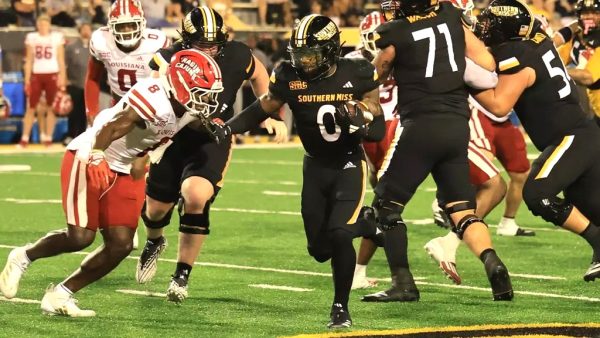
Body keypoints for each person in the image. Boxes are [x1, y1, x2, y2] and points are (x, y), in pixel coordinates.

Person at [0, 49, 224, 316]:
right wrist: (96, 156)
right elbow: (116, 125)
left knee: (121, 244)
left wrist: (219, 125)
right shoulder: (155, 97)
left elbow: (193, 122)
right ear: (181, 85)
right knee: (80, 237)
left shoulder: (185, 105)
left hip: (125, 167)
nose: (207, 99)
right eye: (203, 91)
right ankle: (23, 257)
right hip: (91, 154)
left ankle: (60, 294)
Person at [215, 14, 385, 329]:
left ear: (331, 49)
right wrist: (228, 128)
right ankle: (366, 223)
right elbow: (263, 106)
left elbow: (377, 127)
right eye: (300, 54)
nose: (304, 61)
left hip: (349, 161)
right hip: (315, 164)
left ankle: (340, 308)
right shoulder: (288, 74)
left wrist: (360, 118)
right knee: (319, 250)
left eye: (311, 54)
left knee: (338, 235)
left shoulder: (359, 71)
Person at [361, 0, 513, 302]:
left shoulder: (395, 32)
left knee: (386, 208)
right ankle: (493, 264)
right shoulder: (450, 14)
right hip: (457, 125)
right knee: (462, 210)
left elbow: (375, 75)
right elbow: (485, 60)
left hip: (420, 125)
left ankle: (403, 284)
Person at [135, 6, 287, 303]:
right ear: (185, 40)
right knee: (155, 211)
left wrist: (268, 111)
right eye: (201, 44)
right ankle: (154, 242)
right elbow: (153, 83)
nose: (209, 49)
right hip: (173, 138)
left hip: (211, 138)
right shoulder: (170, 56)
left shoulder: (236, 54)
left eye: (213, 43)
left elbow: (258, 73)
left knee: (195, 195)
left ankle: (181, 275)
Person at [473, 0, 600, 282]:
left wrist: (464, 83)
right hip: (580, 134)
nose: (484, 27)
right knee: (591, 207)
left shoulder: (516, 54)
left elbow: (498, 106)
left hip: (572, 137)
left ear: (505, 29)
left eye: (490, 23)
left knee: (537, 194)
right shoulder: (535, 39)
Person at [344, 11, 399, 290]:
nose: (378, 45)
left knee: (384, 198)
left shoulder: (396, 55)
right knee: (383, 202)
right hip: (373, 131)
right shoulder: (353, 62)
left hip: (391, 128)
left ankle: (359, 267)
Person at [85, 0, 169, 124]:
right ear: (111, 27)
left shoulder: (156, 43)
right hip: (119, 106)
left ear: (141, 24)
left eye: (131, 24)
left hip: (152, 109)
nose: (127, 30)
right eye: (121, 26)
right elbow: (92, 78)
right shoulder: (101, 41)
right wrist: (91, 112)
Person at [20, 15, 66, 148]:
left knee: (52, 107)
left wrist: (62, 79)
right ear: (37, 25)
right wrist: (27, 80)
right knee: (31, 107)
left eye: (45, 24)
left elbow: (61, 60)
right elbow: (28, 60)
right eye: (41, 24)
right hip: (37, 74)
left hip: (52, 73)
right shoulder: (32, 37)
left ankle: (48, 138)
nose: (43, 27)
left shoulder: (56, 37)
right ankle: (24, 138)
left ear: (49, 25)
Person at [554, 0, 600, 127]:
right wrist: (566, 32)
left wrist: (558, 69)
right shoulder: (577, 38)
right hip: (596, 105)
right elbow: (553, 56)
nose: (589, 17)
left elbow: (588, 77)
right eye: (585, 13)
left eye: (595, 12)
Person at [64, 23, 92, 143]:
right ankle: (71, 134)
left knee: (86, 112)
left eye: (88, 29)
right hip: (75, 83)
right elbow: (65, 64)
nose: (86, 31)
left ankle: (82, 136)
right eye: (84, 29)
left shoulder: (94, 47)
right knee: (73, 111)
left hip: (89, 85)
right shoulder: (71, 47)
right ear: (79, 31)